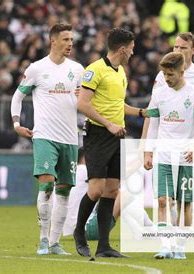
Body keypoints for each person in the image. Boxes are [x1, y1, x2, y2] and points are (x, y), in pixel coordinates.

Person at [74, 27, 152, 258]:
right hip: (98, 134)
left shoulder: (121, 73)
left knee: (112, 190)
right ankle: (79, 232)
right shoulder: (94, 70)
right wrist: (108, 124)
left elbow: (119, 105)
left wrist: (140, 112)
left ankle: (104, 246)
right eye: (131, 48)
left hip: (117, 135)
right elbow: (83, 104)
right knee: (96, 189)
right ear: (122, 49)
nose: (133, 52)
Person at [10, 23, 84, 255]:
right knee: (47, 184)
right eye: (65, 39)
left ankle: (54, 243)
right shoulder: (37, 68)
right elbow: (17, 96)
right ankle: (42, 239)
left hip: (70, 138)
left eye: (71, 40)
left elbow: (83, 103)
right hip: (44, 136)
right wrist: (16, 124)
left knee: (64, 191)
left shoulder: (78, 69)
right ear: (53, 41)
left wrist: (84, 102)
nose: (70, 44)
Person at [142, 31, 194, 229]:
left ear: (193, 51)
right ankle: (175, 232)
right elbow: (154, 111)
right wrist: (146, 144)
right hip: (170, 142)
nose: (178, 50)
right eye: (175, 47)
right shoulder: (163, 76)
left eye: (183, 48)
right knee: (170, 197)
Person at [143, 52, 194, 260]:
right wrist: (147, 150)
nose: (166, 78)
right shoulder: (159, 94)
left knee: (184, 204)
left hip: (186, 157)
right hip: (163, 155)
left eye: (170, 74)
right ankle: (165, 245)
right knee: (163, 200)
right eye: (164, 74)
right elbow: (153, 124)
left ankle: (180, 245)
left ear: (182, 71)